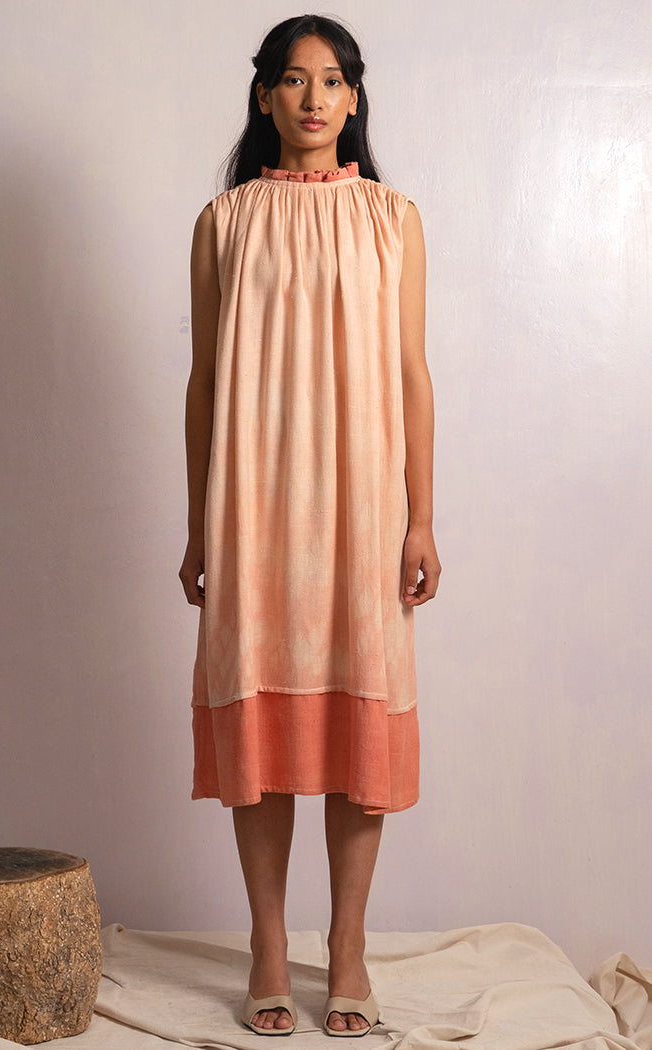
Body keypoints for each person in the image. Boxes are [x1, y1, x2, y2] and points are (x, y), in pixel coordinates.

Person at [179, 14, 440, 1038]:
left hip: (364, 506)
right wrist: (198, 525)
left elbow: (413, 376)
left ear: (355, 98)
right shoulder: (224, 223)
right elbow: (204, 384)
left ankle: (350, 950)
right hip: (253, 504)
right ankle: (267, 945)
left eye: (333, 81)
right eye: (294, 80)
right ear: (265, 97)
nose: (314, 99)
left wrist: (421, 519)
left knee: (357, 735)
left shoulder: (393, 219)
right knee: (263, 732)